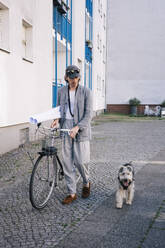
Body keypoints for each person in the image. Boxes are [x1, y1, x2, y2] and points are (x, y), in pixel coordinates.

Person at [51, 65, 93, 205]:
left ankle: (86, 182)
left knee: (81, 161)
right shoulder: (61, 91)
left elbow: (88, 114)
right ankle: (72, 193)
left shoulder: (86, 92)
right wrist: (56, 119)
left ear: (79, 77)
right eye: (71, 77)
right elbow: (58, 109)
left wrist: (77, 127)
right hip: (65, 127)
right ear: (66, 78)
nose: (73, 80)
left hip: (81, 128)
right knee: (67, 162)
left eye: (76, 77)